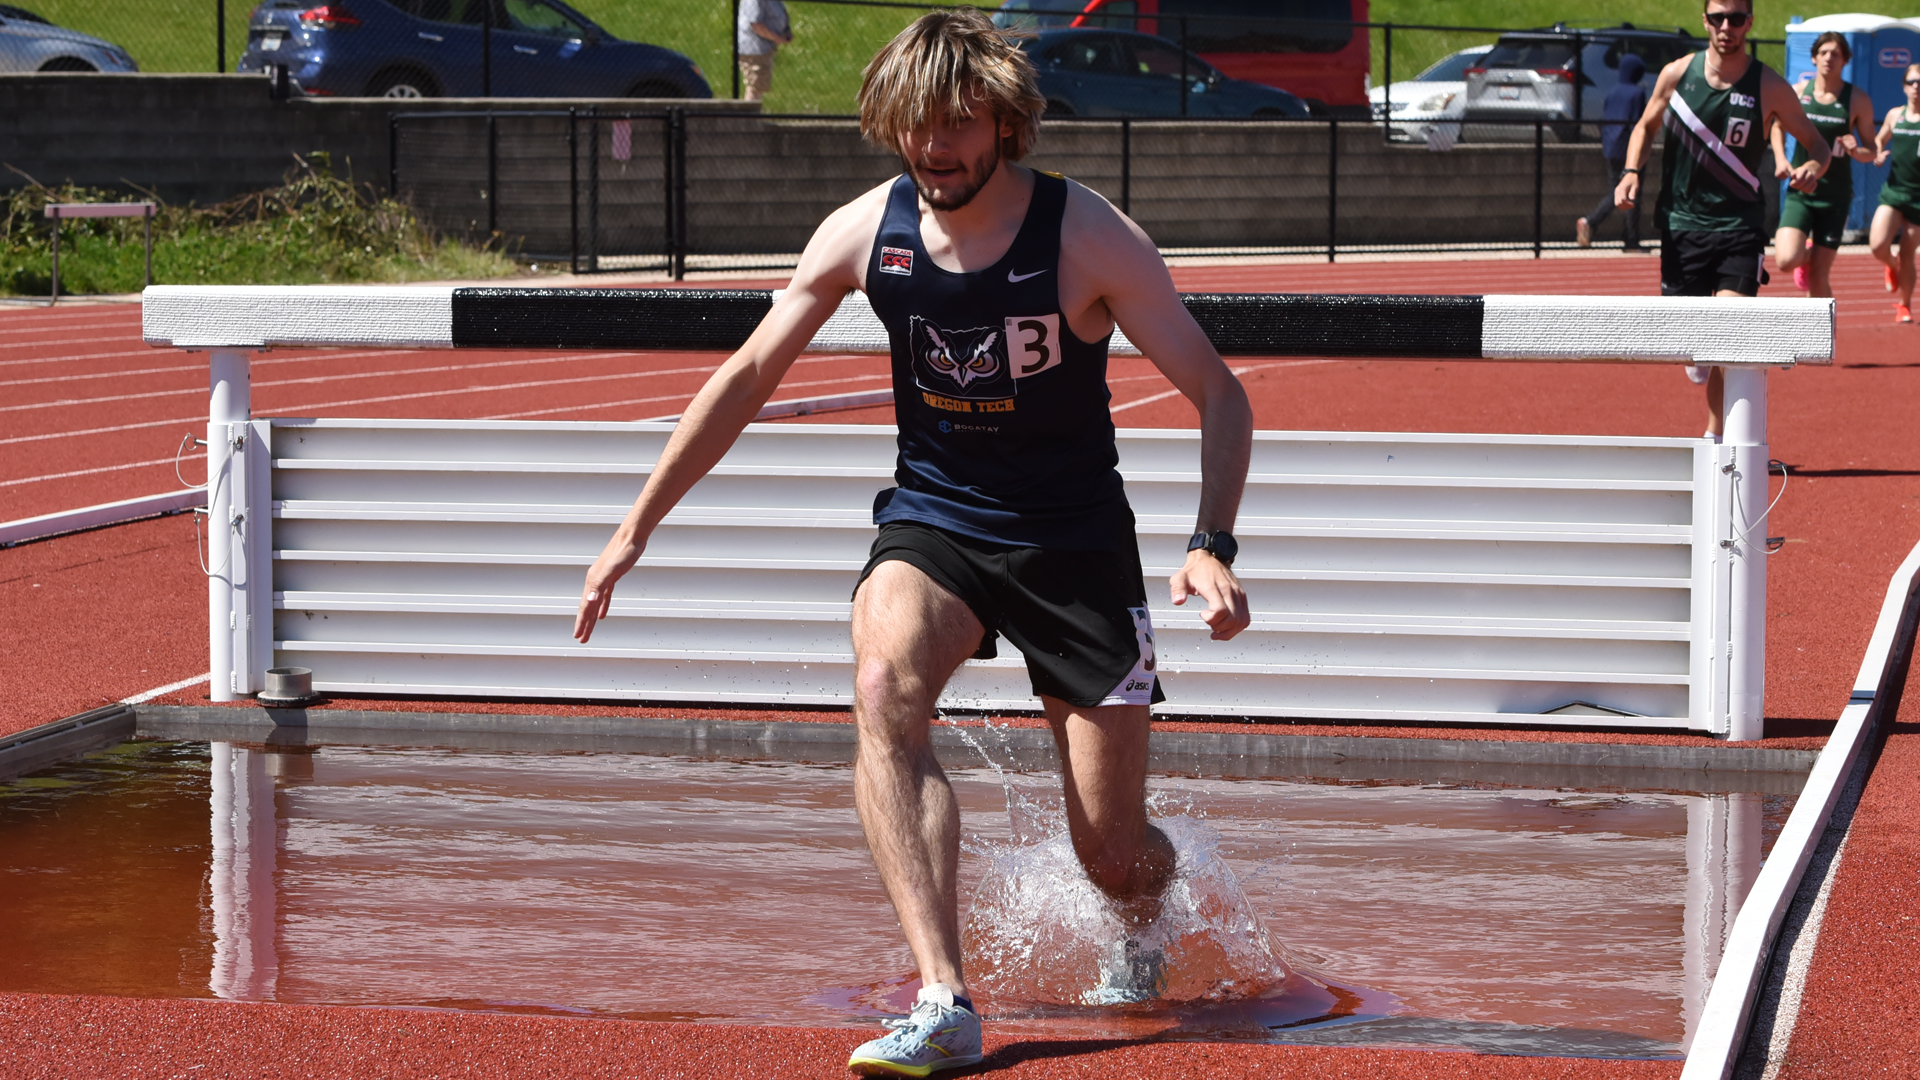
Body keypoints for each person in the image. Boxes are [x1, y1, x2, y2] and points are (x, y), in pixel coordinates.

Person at [571, 9, 1253, 1077]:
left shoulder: (1085, 235)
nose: (937, 149)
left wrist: (1213, 541)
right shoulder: (864, 234)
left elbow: (1219, 391)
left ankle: (1147, 926)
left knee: (1111, 855)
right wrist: (632, 528)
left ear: (1004, 123)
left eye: (958, 125)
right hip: (936, 522)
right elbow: (748, 375)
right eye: (915, 128)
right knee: (884, 680)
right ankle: (945, 997)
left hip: (1074, 546)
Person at [1614, 0, 1830, 440]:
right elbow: (1644, 127)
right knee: (1692, 349)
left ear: (1749, 23)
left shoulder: (1768, 85)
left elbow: (1817, 144)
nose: (1726, 27)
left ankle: (1717, 439)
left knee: (1728, 333)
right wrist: (1631, 171)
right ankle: (1698, 361)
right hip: (1681, 225)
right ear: (1705, 21)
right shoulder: (1677, 74)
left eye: (1735, 18)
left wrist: (1813, 167)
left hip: (1739, 229)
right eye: (1717, 18)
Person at [1769, 31, 1876, 299]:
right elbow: (1777, 126)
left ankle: (1821, 336)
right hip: (1801, 191)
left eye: (1836, 53)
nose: (1829, 58)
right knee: (1785, 260)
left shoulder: (1857, 100)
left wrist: (1857, 150)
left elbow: (1871, 151)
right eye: (1824, 52)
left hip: (1835, 194)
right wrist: (1781, 159)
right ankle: (1806, 253)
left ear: (1845, 61)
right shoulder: (1798, 92)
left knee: (1819, 276)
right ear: (1814, 58)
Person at [1577, 51, 1648, 251]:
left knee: (1614, 192)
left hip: (1611, 147)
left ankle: (1591, 222)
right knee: (1632, 193)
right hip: (1628, 149)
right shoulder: (1637, 93)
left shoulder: (1612, 92)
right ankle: (1629, 238)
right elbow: (1638, 126)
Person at [1870, 62, 1920, 323]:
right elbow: (1881, 137)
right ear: (1904, 86)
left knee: (1908, 253)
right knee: (1878, 245)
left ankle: (1904, 304)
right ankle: (1891, 265)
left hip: (1918, 200)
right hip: (1894, 192)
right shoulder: (1895, 115)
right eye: (1911, 82)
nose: (1916, 87)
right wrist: (1878, 150)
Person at [737, 0, 791, 104]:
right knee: (755, 88)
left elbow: (782, 11)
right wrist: (777, 38)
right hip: (754, 48)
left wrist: (786, 29)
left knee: (758, 87)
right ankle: (749, 119)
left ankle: (752, 118)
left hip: (765, 48)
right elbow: (755, 25)